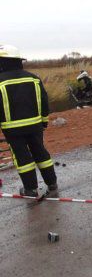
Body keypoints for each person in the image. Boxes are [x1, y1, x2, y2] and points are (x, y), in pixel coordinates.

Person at [0, 45, 57, 198]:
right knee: (40, 152)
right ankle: (52, 184)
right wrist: (44, 121)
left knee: (22, 158)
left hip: (12, 129)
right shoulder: (34, 78)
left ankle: (30, 190)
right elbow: (44, 102)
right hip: (35, 126)